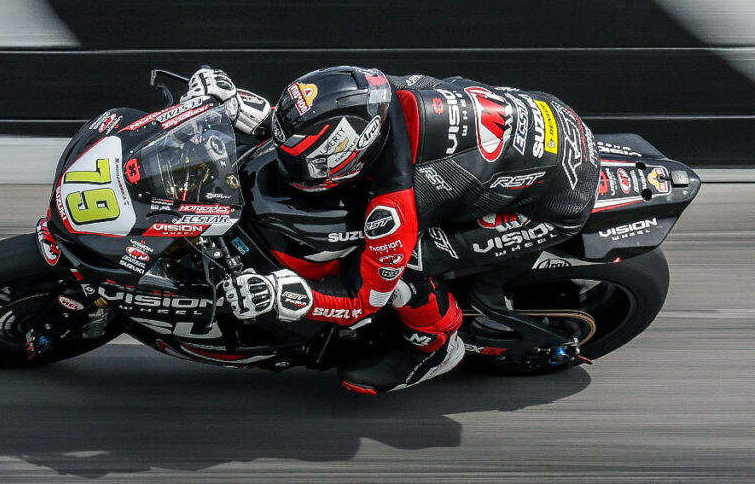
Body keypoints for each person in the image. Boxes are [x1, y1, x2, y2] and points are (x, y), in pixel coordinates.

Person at [181, 66, 600, 394]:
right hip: (551, 115)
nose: (292, 172)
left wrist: (291, 295)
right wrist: (238, 108)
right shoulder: (378, 90)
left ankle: (433, 347)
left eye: (303, 166)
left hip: (554, 202)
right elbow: (326, 116)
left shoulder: (394, 206)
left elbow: (363, 299)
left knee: (408, 268)